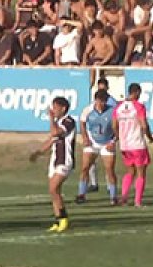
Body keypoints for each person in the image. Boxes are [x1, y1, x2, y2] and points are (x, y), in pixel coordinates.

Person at [29, 96, 76, 233]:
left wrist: (51, 119)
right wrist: (38, 153)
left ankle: (63, 218)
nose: (53, 110)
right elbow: (52, 140)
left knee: (53, 189)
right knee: (54, 192)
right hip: (55, 160)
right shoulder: (59, 122)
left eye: (55, 108)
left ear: (63, 108)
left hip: (65, 160)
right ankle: (57, 220)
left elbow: (55, 132)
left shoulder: (68, 121)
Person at [113, 83, 153, 208]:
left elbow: (114, 125)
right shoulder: (138, 106)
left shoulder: (119, 107)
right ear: (136, 92)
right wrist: (149, 136)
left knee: (130, 171)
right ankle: (138, 201)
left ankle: (124, 198)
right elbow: (143, 124)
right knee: (141, 173)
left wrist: (119, 137)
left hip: (125, 145)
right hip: (137, 143)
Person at [77, 90, 118, 205]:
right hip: (92, 142)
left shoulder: (112, 111)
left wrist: (113, 141)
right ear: (96, 100)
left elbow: (117, 128)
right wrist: (85, 137)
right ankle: (81, 194)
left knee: (109, 170)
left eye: (104, 101)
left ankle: (113, 197)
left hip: (107, 142)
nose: (102, 104)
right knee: (85, 167)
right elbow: (82, 122)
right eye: (100, 101)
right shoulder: (88, 110)